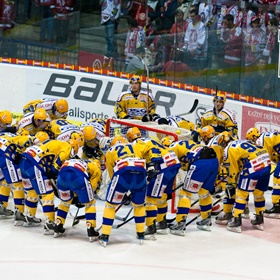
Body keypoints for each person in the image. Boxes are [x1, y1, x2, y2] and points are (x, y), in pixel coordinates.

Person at [126, 127, 181, 237]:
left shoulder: (136, 144)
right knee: (162, 196)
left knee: (151, 198)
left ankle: (151, 227)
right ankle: (162, 223)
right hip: (174, 163)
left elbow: (138, 163)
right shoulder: (150, 139)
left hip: (162, 166)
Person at [19, 138, 80, 233]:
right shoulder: (67, 147)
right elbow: (58, 161)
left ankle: (29, 215)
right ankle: (50, 222)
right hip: (35, 162)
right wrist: (53, 171)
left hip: (24, 159)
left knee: (32, 191)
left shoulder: (55, 142)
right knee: (47, 193)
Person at [217, 131, 271, 233]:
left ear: (224, 142)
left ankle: (236, 221)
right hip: (266, 163)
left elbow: (232, 170)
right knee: (259, 194)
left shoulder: (229, 148)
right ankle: (259, 220)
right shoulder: (242, 142)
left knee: (241, 194)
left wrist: (232, 183)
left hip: (253, 166)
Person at [98, 136, 147, 247]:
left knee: (110, 206)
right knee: (139, 206)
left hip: (122, 174)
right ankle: (141, 234)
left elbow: (112, 174)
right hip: (141, 173)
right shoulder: (135, 146)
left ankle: (105, 236)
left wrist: (122, 191)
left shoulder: (111, 150)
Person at [169, 144, 218, 235]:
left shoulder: (171, 148)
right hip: (214, 161)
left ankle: (180, 224)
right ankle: (206, 221)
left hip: (200, 163)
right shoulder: (189, 143)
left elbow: (172, 166)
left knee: (185, 193)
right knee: (204, 191)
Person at [54, 158, 102, 241]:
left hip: (61, 177)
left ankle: (58, 224)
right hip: (78, 177)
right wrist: (81, 196)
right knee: (90, 203)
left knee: (64, 203)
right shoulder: (96, 167)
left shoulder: (80, 161)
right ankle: (91, 228)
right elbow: (93, 187)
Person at [246, 127, 280, 219]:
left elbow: (263, 161)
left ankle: (277, 207)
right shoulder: (268, 139)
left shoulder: (260, 141)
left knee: (277, 179)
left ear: (253, 137)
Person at [0, 133, 34, 222]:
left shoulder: (10, 136)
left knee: (5, 180)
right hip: (4, 156)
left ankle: (1, 206)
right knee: (18, 183)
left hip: (3, 154)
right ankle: (19, 212)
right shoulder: (28, 140)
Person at [182, 5, 208, 72]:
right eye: (191, 16)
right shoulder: (190, 25)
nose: (192, 18)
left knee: (198, 74)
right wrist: (185, 48)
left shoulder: (202, 26)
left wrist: (195, 49)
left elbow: (202, 40)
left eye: (193, 16)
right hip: (190, 55)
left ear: (197, 16)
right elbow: (187, 37)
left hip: (200, 57)